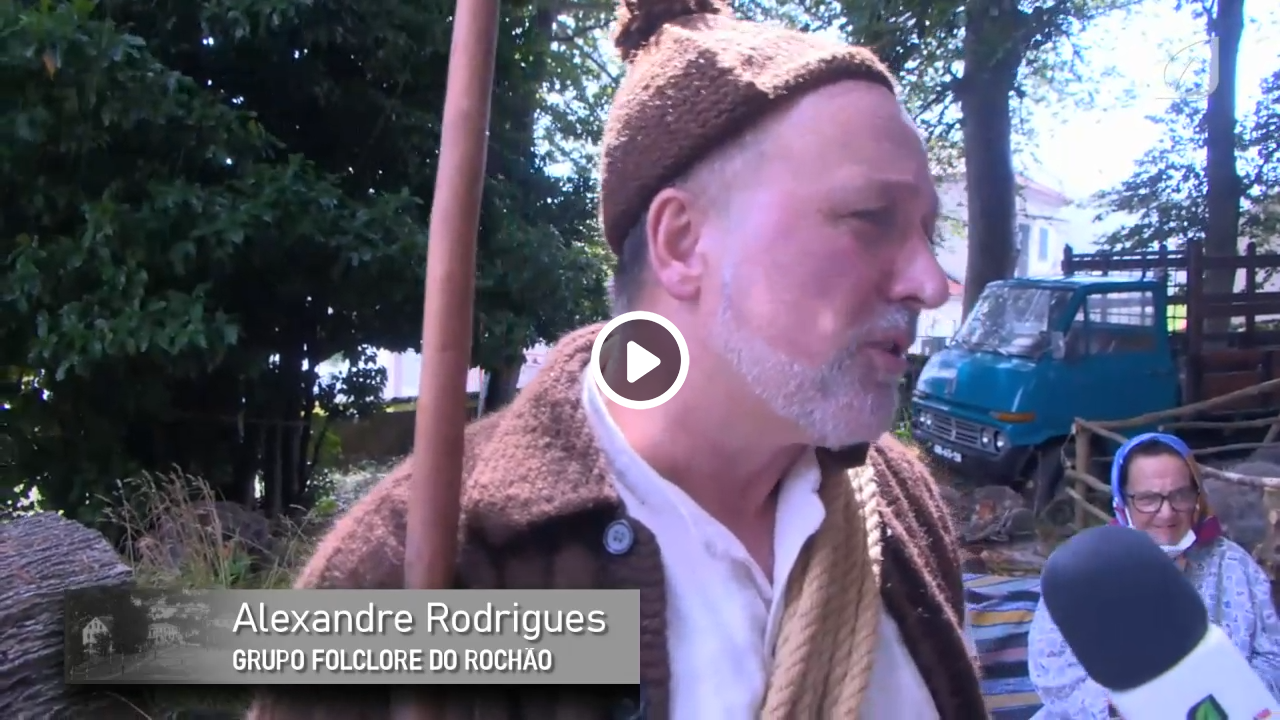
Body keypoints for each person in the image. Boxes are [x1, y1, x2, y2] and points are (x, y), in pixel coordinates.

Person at [247, 0, 986, 717]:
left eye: (926, 231)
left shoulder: (898, 504)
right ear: (682, 243)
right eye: (870, 218)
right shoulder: (422, 568)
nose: (928, 283)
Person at [1028, 432, 1280, 719]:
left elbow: (1273, 656)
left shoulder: (1234, 564)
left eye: (1180, 495)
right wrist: (1129, 707)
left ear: (1197, 496)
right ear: (1122, 502)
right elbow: (1052, 673)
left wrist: (1233, 696)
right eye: (1148, 499)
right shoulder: (1085, 573)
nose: (1166, 513)